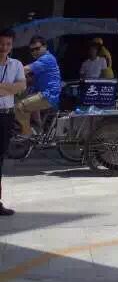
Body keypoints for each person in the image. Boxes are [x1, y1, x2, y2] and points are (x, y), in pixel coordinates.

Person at [0, 29, 27, 217]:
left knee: (0, 159)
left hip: (6, 116)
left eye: (8, 44)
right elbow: (14, 87)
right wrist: (10, 88)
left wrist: (4, 88)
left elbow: (22, 87)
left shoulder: (16, 64)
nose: (4, 47)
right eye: (1, 43)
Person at [15, 35, 62, 137]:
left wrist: (8, 74)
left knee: (19, 107)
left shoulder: (47, 59)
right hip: (41, 93)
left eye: (37, 48)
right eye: (32, 50)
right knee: (23, 100)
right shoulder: (40, 62)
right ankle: (39, 133)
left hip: (48, 96)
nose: (34, 52)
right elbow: (29, 79)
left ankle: (26, 134)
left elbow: (25, 70)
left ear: (45, 47)